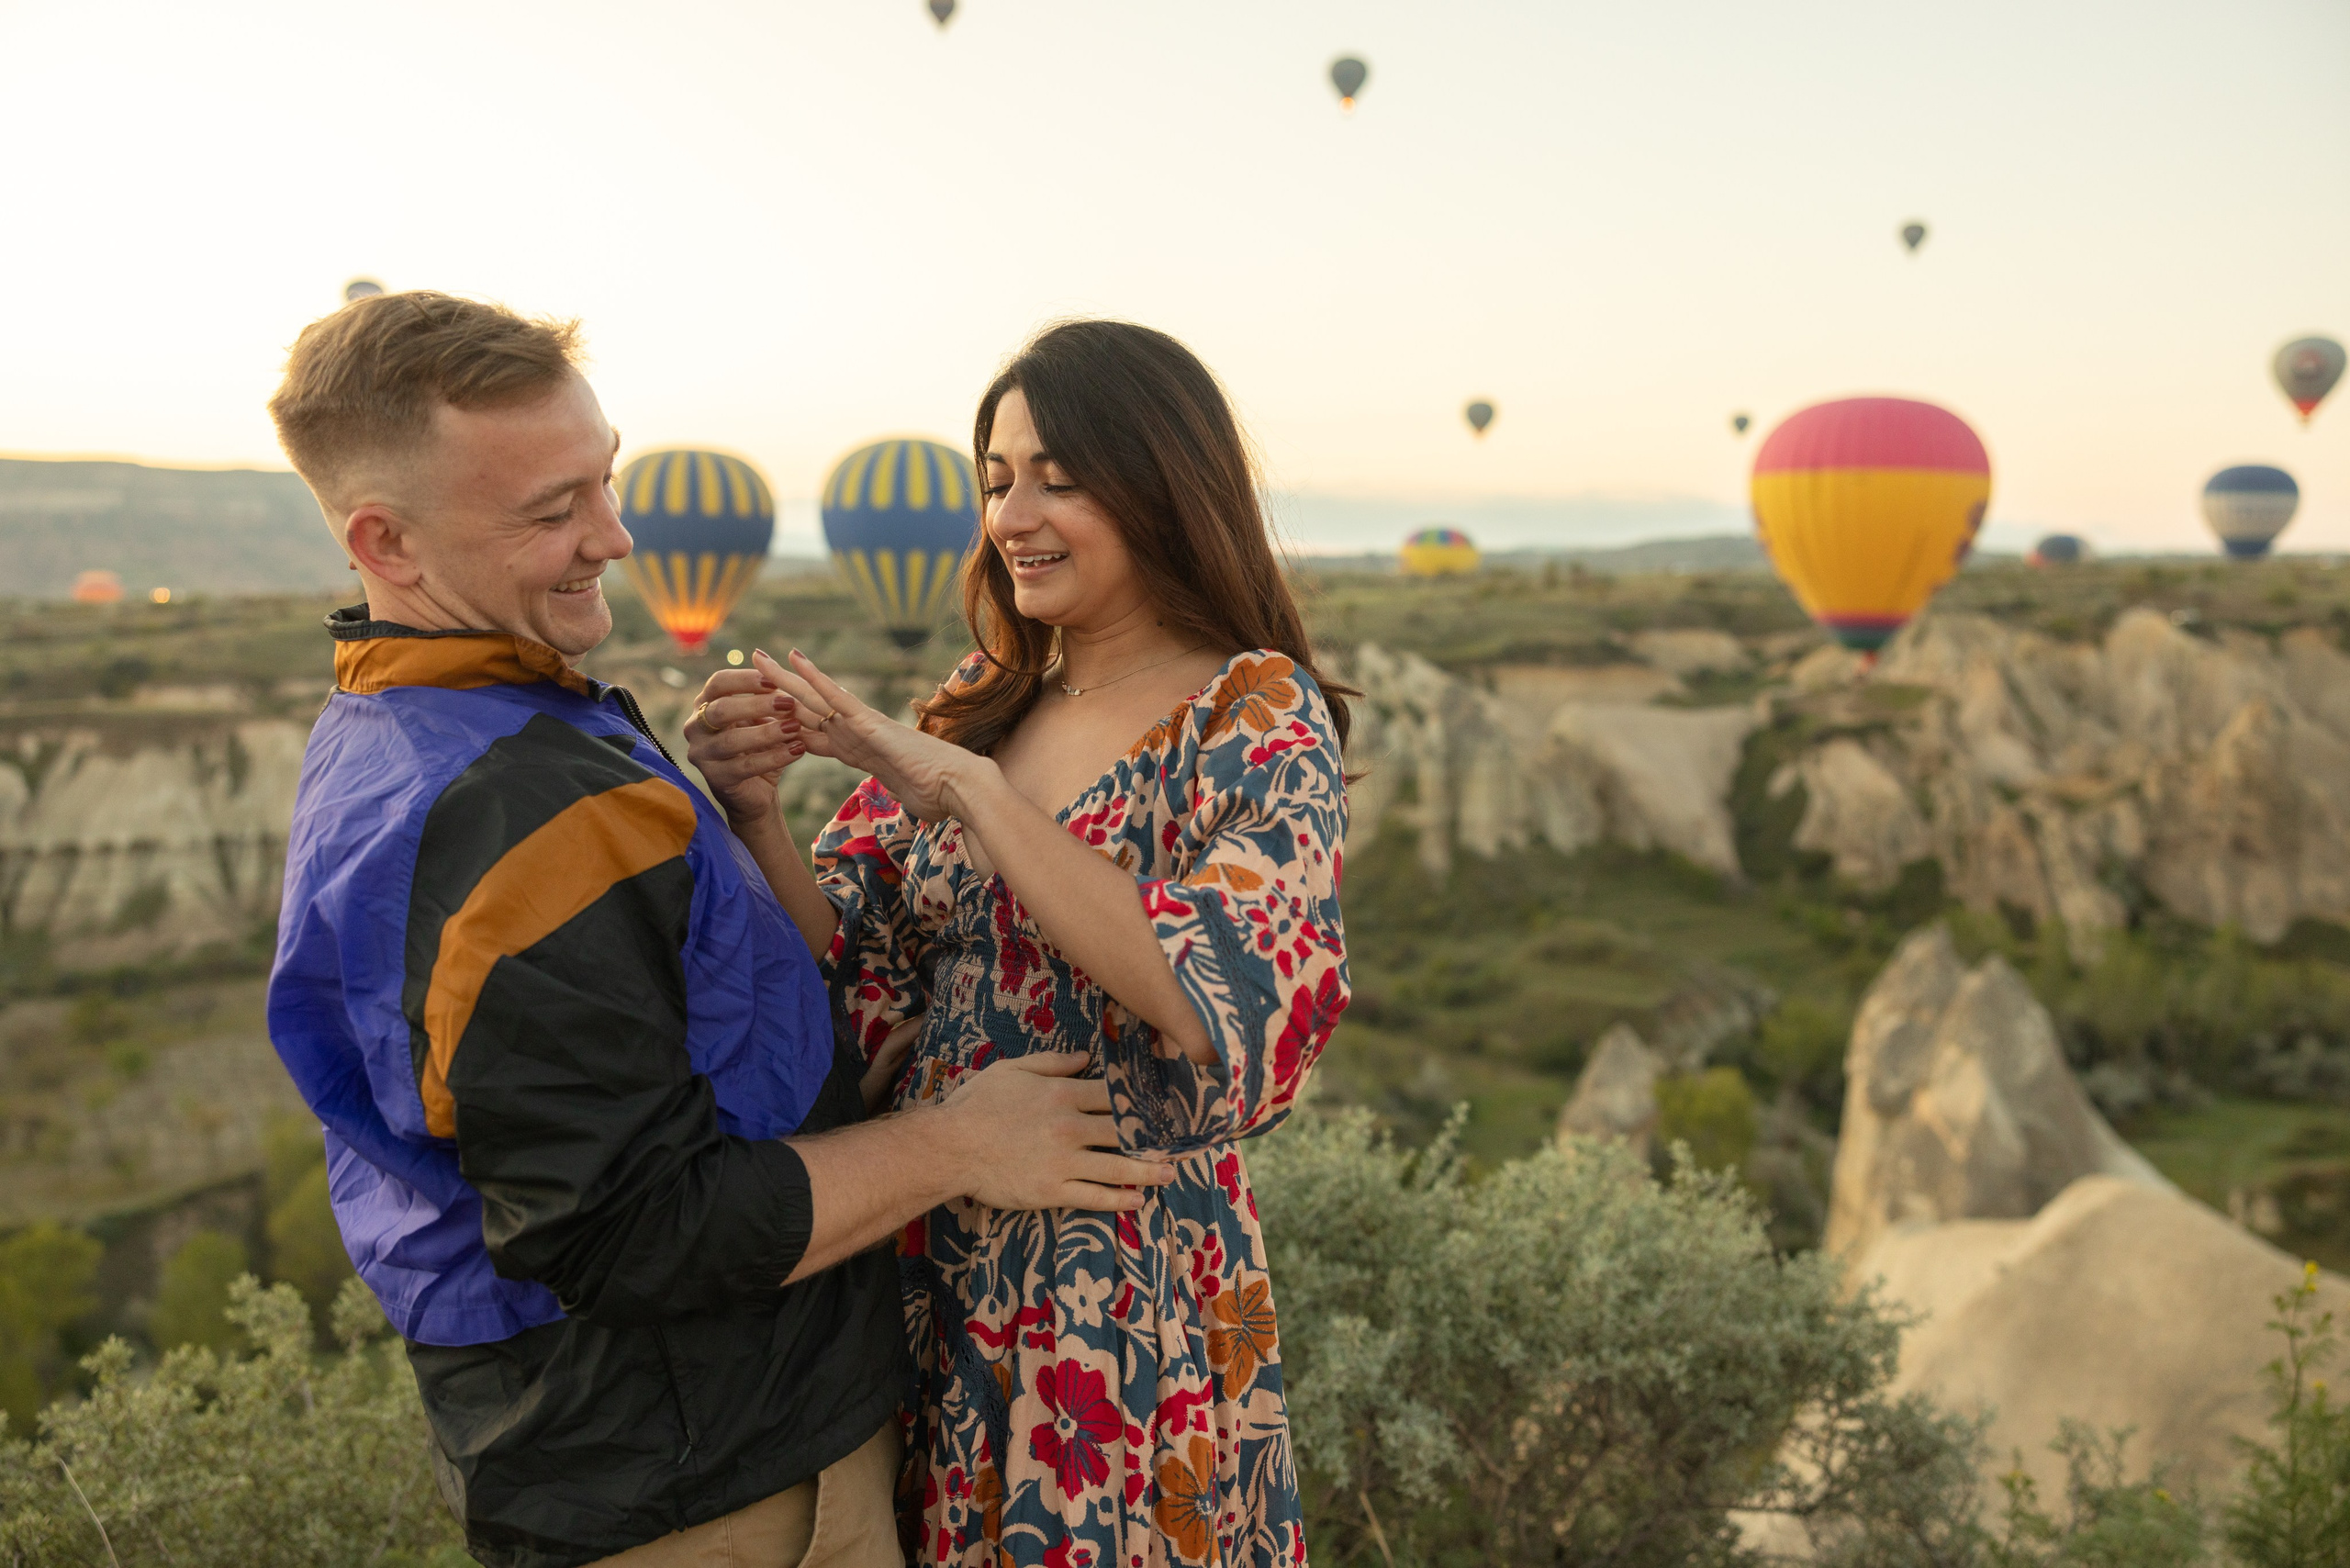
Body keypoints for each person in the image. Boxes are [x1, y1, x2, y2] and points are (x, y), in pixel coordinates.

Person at [263, 292, 1177, 1568]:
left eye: (607, 479)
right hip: (715, 1488)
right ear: (386, 542)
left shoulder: (416, 733)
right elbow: (633, 1231)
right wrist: (959, 1141)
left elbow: (639, 1072)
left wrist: (820, 1036)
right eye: (553, 510)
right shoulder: (517, 808)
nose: (615, 535)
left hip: (666, 1454)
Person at [685, 319, 1352, 1568]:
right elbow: (851, 977)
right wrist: (755, 811)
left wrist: (979, 797)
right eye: (996, 481)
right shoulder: (980, 701)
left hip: (1117, 1300)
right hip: (922, 1256)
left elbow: (1223, 994)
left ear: (1162, 484)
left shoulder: (1252, 711)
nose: (1013, 517)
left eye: (1059, 478)